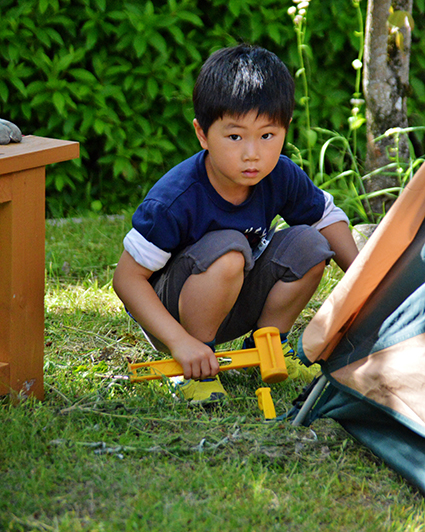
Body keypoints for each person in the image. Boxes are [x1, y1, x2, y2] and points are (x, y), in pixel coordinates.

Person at [113, 44, 358, 405]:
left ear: (285, 129)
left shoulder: (280, 175)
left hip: (234, 295)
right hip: (175, 315)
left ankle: (268, 346)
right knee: (229, 249)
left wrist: (365, 281)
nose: (252, 153)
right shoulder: (176, 198)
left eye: (267, 135)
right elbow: (126, 279)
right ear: (202, 134)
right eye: (234, 136)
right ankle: (195, 368)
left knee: (311, 244)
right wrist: (180, 343)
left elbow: (327, 217)